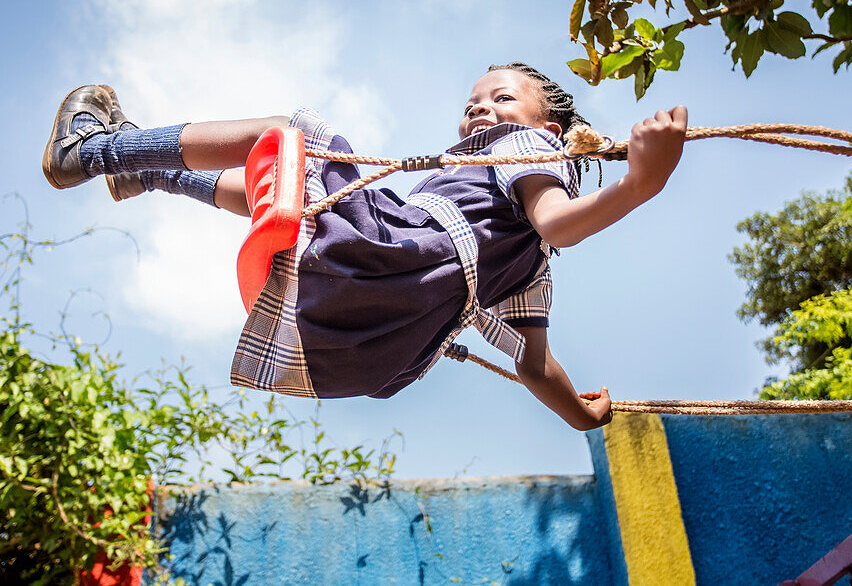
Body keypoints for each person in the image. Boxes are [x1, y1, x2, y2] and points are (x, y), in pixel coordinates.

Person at [42, 63, 687, 431]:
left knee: (291, 136)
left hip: (387, 260)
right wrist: (580, 415)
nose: (481, 110)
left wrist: (640, 183)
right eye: (472, 102)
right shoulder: (523, 271)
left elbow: (555, 220)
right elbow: (534, 362)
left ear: (550, 126)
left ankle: (97, 152)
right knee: (292, 194)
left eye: (502, 97)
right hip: (372, 346)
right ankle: (146, 172)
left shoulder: (525, 151)